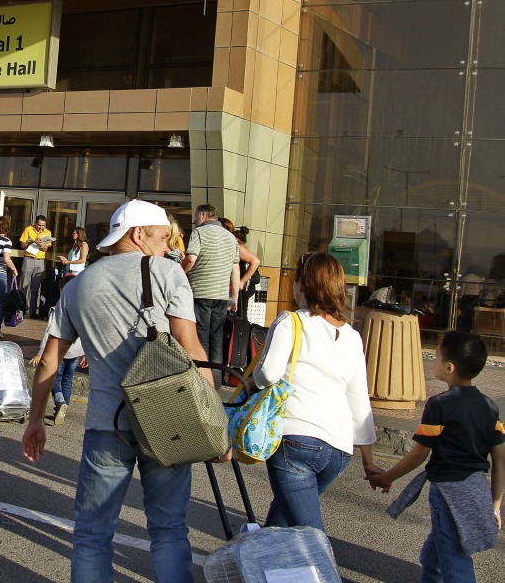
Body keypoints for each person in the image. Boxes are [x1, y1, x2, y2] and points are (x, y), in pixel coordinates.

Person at [23, 199, 214, 583]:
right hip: (169, 419)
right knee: (169, 529)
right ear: (139, 234)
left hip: (106, 424)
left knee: (93, 534)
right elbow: (192, 350)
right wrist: (214, 420)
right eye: (162, 238)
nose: (167, 246)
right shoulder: (167, 273)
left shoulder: (79, 285)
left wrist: (35, 421)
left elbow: (49, 361)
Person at [252, 251, 379, 532]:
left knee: (310, 535)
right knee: (282, 524)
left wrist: (254, 379)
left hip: (295, 441)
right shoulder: (351, 336)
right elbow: (360, 401)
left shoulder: (291, 321)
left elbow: (268, 374)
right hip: (338, 450)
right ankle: (256, 569)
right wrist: (369, 460)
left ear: (302, 286)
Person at [367, 331, 505, 583]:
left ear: (449, 367)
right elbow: (501, 460)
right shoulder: (489, 407)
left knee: (454, 562)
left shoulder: (439, 405)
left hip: (448, 492)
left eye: (437, 357)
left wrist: (386, 477)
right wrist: (494, 506)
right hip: (476, 489)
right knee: (434, 557)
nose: (434, 362)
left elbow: (419, 455)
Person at [182, 204, 239, 384]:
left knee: (200, 338)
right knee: (217, 339)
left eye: (196, 216)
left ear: (204, 215)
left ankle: (202, 380)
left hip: (201, 292)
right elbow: (235, 269)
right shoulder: (231, 238)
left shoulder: (199, 233)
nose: (194, 220)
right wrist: (234, 296)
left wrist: (179, 273)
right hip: (221, 296)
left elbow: (191, 258)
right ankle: (217, 380)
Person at [30, 279, 86, 427]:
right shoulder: (82, 308)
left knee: (54, 377)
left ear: (62, 290)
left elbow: (49, 333)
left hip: (60, 352)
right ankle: (64, 409)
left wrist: (40, 352)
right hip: (77, 352)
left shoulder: (57, 309)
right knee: (67, 380)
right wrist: (86, 352)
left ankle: (60, 401)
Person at [19, 215, 53, 319]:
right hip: (29, 259)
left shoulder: (47, 233)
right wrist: (32, 241)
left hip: (39, 261)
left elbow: (45, 249)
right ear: (35, 223)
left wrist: (40, 244)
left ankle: (33, 312)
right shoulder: (28, 229)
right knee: (24, 286)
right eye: (39, 225)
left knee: (35, 288)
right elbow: (22, 245)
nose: (41, 228)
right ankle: (21, 310)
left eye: (43, 225)